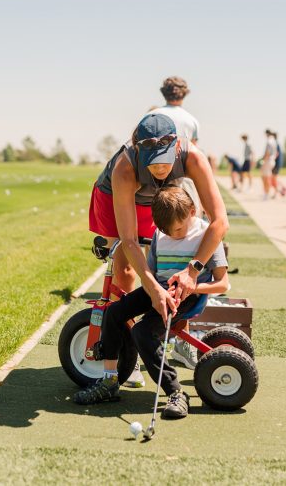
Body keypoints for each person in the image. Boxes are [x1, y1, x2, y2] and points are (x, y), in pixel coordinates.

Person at [88, 113, 228, 383]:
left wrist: (193, 270)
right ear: (138, 149)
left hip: (157, 197)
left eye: (165, 161)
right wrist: (151, 287)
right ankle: (128, 351)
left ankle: (175, 337)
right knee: (125, 267)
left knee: (178, 253)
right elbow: (129, 240)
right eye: (152, 163)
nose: (160, 168)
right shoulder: (124, 169)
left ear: (176, 146)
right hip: (115, 197)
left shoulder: (193, 157)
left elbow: (220, 221)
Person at [76, 186, 229, 418]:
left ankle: (175, 391)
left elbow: (223, 284)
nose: (174, 235)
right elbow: (154, 275)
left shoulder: (207, 236)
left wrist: (191, 286)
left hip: (187, 297)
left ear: (191, 211)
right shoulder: (161, 235)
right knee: (114, 312)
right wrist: (156, 292)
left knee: (142, 332)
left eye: (178, 229)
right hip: (159, 290)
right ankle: (109, 381)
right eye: (167, 232)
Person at [147, 77, 203, 368]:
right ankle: (182, 343)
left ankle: (151, 339)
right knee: (187, 262)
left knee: (160, 266)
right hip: (183, 195)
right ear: (184, 94)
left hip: (156, 196)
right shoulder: (191, 119)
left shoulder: (152, 116)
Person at [260, 129, 277, 200]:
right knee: (267, 177)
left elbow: (268, 152)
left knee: (265, 177)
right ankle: (266, 193)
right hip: (272, 160)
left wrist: (263, 160)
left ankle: (266, 193)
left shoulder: (269, 141)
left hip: (268, 160)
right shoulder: (274, 141)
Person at [270, 132, 286, 197]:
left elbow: (276, 154)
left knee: (273, 179)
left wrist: (271, 160)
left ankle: (277, 192)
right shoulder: (277, 143)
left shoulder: (275, 143)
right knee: (274, 178)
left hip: (276, 164)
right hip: (277, 163)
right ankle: (282, 188)